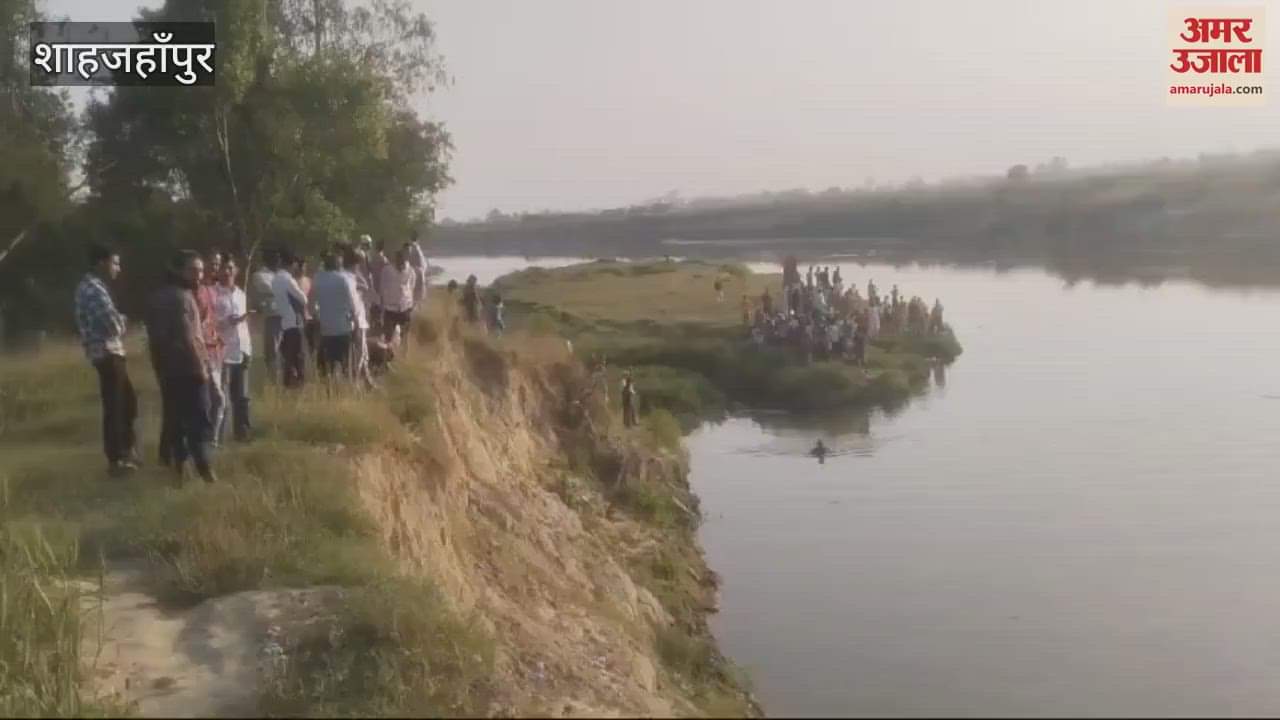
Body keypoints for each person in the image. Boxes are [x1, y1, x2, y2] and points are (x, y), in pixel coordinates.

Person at [147, 251, 216, 484]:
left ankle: (179, 469)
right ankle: (205, 469)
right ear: (178, 271)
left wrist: (159, 370)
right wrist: (202, 368)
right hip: (190, 369)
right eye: (194, 270)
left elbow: (154, 341)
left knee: (176, 420)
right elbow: (188, 338)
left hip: (168, 370)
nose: (199, 275)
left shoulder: (156, 298)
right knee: (200, 419)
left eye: (200, 270)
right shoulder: (182, 298)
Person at [74, 244, 139, 477]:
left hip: (109, 352)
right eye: (115, 263)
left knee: (127, 402)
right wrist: (123, 319)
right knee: (117, 406)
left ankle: (127, 451)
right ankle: (118, 459)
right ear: (102, 263)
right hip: (107, 352)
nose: (118, 269)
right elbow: (113, 326)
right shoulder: (94, 290)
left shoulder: (94, 287)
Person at [214, 257, 252, 443]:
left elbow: (244, 323)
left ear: (236, 270)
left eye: (230, 268)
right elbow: (210, 324)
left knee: (242, 396)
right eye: (224, 268)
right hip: (224, 351)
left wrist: (248, 347)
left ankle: (242, 434)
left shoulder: (241, 294)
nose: (227, 272)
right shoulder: (213, 294)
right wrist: (229, 321)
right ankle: (217, 437)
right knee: (222, 398)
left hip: (242, 348)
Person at [311, 250, 359, 379]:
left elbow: (311, 305)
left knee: (327, 367)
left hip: (326, 330)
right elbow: (353, 304)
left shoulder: (317, 279)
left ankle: (330, 393)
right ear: (338, 265)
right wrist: (357, 324)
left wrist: (317, 319)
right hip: (343, 328)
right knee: (346, 365)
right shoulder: (344, 279)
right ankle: (345, 392)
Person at [197, 250, 226, 444]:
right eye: (212, 263)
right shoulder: (195, 290)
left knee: (216, 399)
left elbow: (214, 318)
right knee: (217, 398)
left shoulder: (214, 289)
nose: (215, 268)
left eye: (218, 264)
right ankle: (209, 440)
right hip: (201, 350)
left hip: (216, 350)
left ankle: (212, 439)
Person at [272, 251, 309, 388]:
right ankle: (299, 385)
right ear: (292, 264)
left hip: (283, 323)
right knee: (298, 357)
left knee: (287, 358)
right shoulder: (288, 279)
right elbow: (303, 299)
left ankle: (287, 385)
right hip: (294, 322)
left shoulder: (275, 279)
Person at [341, 247, 376, 387]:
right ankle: (355, 383)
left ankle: (367, 380)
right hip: (356, 319)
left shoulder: (348, 275)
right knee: (359, 353)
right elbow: (365, 286)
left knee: (363, 352)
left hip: (358, 317)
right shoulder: (349, 276)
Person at [379, 248, 417, 348]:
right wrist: (383, 302)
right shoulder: (387, 270)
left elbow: (412, 286)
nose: (401, 262)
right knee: (388, 336)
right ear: (395, 259)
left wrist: (410, 302)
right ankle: (388, 358)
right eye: (399, 259)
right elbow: (382, 286)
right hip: (390, 308)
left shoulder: (411, 271)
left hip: (405, 307)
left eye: (403, 260)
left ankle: (405, 357)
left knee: (405, 336)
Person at [259, 250, 284, 382]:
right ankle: (273, 381)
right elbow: (272, 290)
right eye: (275, 258)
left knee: (287, 352)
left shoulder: (280, 274)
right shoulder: (260, 275)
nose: (278, 261)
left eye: (279, 258)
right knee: (272, 352)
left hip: (287, 317)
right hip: (273, 317)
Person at [406, 235, 429, 307]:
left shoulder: (414, 248)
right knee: (417, 293)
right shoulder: (416, 248)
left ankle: (414, 307)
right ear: (417, 239)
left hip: (417, 272)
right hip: (417, 272)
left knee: (416, 293)